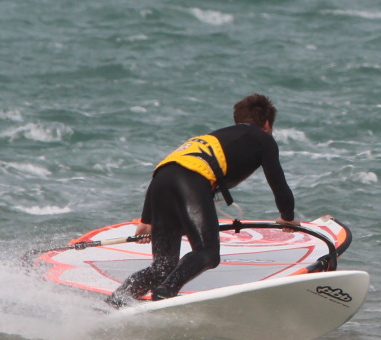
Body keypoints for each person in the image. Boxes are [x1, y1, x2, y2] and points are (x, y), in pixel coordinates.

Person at [106, 93, 298, 307]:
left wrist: (147, 219)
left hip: (160, 182)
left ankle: (115, 302)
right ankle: (164, 293)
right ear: (267, 123)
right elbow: (278, 183)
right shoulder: (262, 138)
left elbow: (169, 169)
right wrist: (287, 217)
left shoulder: (216, 137)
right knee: (208, 253)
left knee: (163, 267)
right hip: (191, 181)